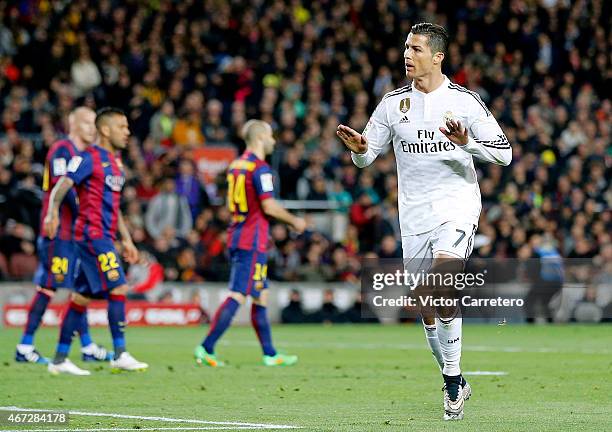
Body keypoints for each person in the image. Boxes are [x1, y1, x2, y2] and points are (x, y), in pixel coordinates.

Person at [336, 23, 511, 420]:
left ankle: (451, 384)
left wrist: (467, 143)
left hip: (457, 206)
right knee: (429, 310)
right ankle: (456, 379)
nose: (407, 55)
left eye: (415, 49)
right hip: (413, 217)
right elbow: (366, 156)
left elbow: (505, 155)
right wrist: (360, 150)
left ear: (437, 57)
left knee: (439, 285)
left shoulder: (466, 102)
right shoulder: (392, 103)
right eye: (405, 48)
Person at [43, 107, 148, 375]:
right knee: (119, 287)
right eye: (122, 127)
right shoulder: (87, 157)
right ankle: (120, 353)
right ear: (105, 129)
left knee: (80, 298)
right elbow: (62, 185)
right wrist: (52, 213)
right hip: (91, 236)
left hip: (105, 235)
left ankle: (59, 359)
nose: (127, 132)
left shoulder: (116, 162)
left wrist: (126, 240)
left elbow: (115, 207)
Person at [194, 119, 306, 367]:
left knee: (260, 295)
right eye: (270, 136)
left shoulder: (236, 165)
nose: (273, 141)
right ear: (259, 139)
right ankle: (206, 347)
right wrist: (293, 221)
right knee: (238, 294)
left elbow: (231, 204)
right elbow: (268, 205)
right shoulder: (260, 168)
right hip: (252, 240)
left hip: (238, 233)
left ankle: (270, 354)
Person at [15, 107, 111, 364]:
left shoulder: (83, 155)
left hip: (76, 234)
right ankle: (25, 346)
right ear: (76, 124)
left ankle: (88, 347)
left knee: (79, 288)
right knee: (49, 285)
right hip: (60, 232)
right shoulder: (62, 149)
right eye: (90, 123)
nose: (94, 128)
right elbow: (63, 186)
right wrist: (88, 209)